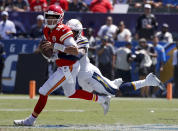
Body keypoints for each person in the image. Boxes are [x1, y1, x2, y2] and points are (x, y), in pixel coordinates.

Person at [14, 5, 110, 126]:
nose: (50, 19)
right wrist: (49, 54)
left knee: (43, 91)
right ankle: (102, 99)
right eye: (48, 16)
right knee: (71, 93)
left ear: (60, 18)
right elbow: (46, 47)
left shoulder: (64, 30)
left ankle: (30, 120)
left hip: (68, 67)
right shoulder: (46, 29)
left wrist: (55, 46)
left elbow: (75, 50)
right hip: (65, 65)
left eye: (54, 17)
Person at [66, 19, 165, 99]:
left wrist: (59, 48)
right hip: (82, 74)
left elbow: (79, 53)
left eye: (72, 31)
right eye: (68, 31)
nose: (69, 33)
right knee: (85, 90)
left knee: (114, 91)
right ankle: (108, 90)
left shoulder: (82, 40)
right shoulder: (67, 41)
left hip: (89, 72)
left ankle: (147, 81)